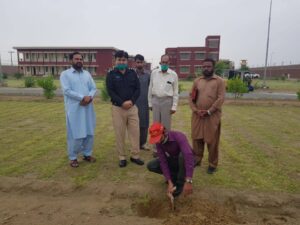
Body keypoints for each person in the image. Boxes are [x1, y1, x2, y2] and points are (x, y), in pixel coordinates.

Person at [106, 50, 144, 168]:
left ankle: (135, 155)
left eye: (124, 60)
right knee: (120, 133)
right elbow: (110, 91)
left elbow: (138, 89)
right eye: (119, 60)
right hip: (118, 108)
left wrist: (131, 101)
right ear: (115, 61)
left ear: (127, 61)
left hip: (132, 108)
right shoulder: (111, 74)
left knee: (135, 132)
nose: (121, 62)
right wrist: (122, 102)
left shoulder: (132, 73)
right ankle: (122, 157)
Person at [60, 51, 97, 168]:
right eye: (76, 59)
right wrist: (82, 97)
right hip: (75, 109)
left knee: (89, 131)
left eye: (81, 59)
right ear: (71, 60)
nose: (79, 61)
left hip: (88, 107)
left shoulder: (87, 74)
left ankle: (87, 154)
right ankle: (73, 157)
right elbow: (66, 90)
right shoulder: (65, 74)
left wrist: (90, 97)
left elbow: (93, 88)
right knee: (75, 133)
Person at [189, 58, 225, 174]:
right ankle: (197, 159)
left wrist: (209, 111)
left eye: (208, 66)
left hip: (212, 116)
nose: (206, 68)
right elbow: (191, 97)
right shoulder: (197, 81)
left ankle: (212, 164)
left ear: (213, 67)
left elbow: (221, 98)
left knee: (212, 141)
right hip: (198, 115)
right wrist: (195, 110)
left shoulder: (219, 81)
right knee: (197, 138)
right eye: (204, 66)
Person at [147, 122, 194, 197]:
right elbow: (163, 161)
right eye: (156, 139)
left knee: (182, 156)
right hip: (174, 160)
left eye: (159, 138)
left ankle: (180, 183)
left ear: (164, 132)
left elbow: (188, 156)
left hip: (186, 160)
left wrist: (189, 180)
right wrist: (169, 181)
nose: (158, 141)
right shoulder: (159, 142)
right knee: (151, 165)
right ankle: (174, 177)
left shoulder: (179, 136)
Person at [148, 54, 179, 156]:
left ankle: (166, 150)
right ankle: (156, 150)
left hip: (167, 102)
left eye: (166, 62)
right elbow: (150, 88)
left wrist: (174, 106)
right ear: (160, 62)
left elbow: (175, 91)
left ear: (169, 63)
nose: (164, 64)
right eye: (163, 62)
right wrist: (150, 102)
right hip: (156, 100)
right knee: (156, 126)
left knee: (166, 127)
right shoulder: (154, 73)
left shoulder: (173, 75)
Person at [134, 54, 150, 150]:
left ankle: (143, 143)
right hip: (133, 103)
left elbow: (151, 88)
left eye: (141, 62)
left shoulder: (148, 75)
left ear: (143, 63)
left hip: (144, 103)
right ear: (135, 63)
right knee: (134, 124)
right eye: (137, 62)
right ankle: (135, 143)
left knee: (144, 124)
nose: (139, 64)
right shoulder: (131, 74)